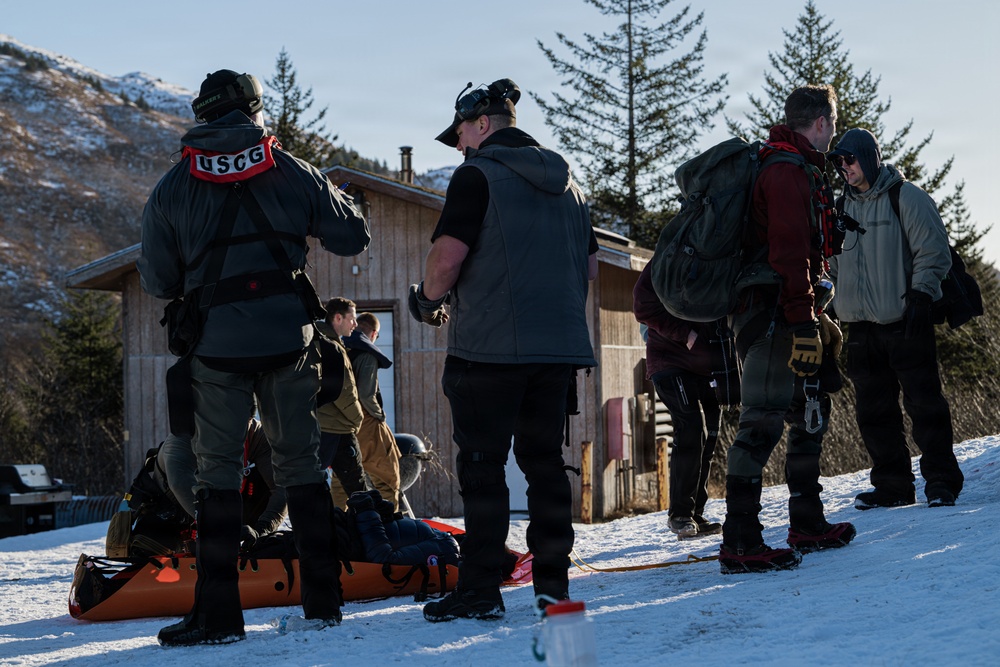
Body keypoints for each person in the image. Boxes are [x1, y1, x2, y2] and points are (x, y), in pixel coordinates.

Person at [136, 68, 369, 645]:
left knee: (216, 472)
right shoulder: (289, 168)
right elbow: (352, 236)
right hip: (290, 342)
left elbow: (161, 279)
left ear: (203, 116)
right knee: (300, 465)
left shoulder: (173, 186)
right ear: (254, 112)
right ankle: (323, 604)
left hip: (216, 350)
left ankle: (217, 616)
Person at [409, 78, 598, 622]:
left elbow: (446, 260)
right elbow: (586, 269)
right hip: (558, 351)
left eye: (462, 133)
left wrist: (425, 298)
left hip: (488, 351)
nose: (460, 144)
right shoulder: (570, 183)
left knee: (484, 469)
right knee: (544, 466)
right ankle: (553, 591)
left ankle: (481, 592)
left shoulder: (476, 176)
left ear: (483, 124)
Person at [720, 84, 855, 575]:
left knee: (808, 409)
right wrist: (802, 323)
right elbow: (789, 255)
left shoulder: (794, 168)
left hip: (790, 311)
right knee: (760, 423)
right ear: (820, 122)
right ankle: (740, 543)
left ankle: (807, 522)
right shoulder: (783, 172)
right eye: (833, 124)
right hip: (774, 316)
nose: (834, 133)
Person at [828, 128, 964, 509]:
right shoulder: (841, 208)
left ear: (869, 157)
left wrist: (921, 295)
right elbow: (833, 265)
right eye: (839, 162)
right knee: (873, 412)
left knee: (925, 407)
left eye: (849, 159)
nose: (844, 168)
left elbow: (933, 251)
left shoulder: (906, 197)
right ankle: (893, 486)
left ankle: (941, 482)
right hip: (860, 327)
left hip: (906, 320)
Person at [632, 263, 723, 539]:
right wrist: (686, 334)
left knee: (710, 434)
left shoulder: (724, 251)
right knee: (691, 427)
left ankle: (695, 513)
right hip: (669, 360)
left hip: (707, 363)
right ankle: (680, 515)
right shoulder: (671, 253)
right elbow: (643, 304)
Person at [158, 418, 287, 552]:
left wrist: (262, 530)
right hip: (171, 514)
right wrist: (223, 527)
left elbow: (282, 486)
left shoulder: (257, 434)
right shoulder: (182, 436)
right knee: (159, 543)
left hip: (230, 512)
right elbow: (179, 483)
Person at [345, 311, 403, 510]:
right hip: (365, 421)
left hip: (339, 424)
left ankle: (337, 529)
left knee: (340, 481)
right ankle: (389, 527)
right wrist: (380, 417)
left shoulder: (339, 346)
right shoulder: (367, 353)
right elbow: (366, 395)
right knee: (388, 479)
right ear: (373, 333)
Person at [316, 297, 369, 507]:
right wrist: (358, 418)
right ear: (338, 318)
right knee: (358, 490)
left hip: (319, 427)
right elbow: (344, 391)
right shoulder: (333, 348)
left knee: (312, 485)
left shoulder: (316, 341)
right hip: (338, 429)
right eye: (352, 318)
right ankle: (371, 534)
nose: (355, 324)